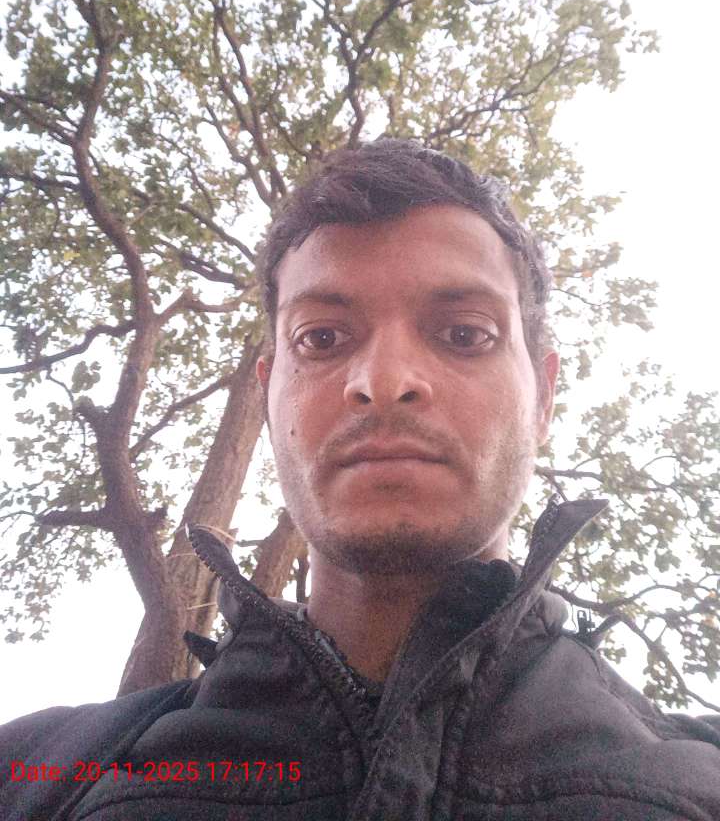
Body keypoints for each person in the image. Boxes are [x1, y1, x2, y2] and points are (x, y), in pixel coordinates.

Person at [1, 138, 718, 821]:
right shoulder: (29, 771)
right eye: (321, 338)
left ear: (543, 398)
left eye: (465, 334)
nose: (383, 380)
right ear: (268, 393)